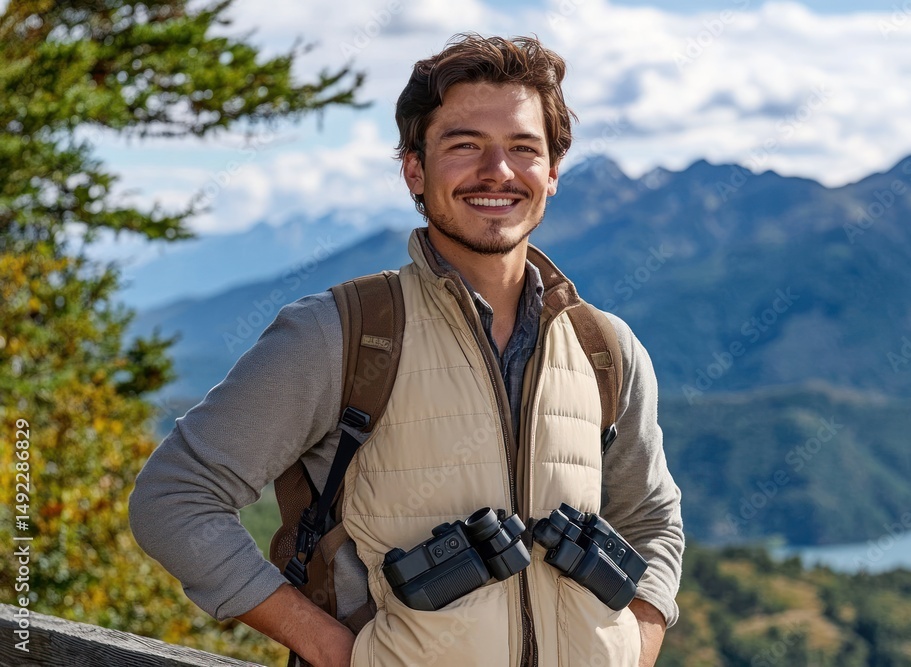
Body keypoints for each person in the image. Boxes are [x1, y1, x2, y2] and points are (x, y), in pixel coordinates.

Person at [130, 33, 684, 667]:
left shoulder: (605, 349)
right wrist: (336, 651)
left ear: (552, 173)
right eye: (464, 144)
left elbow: (652, 519)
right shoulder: (341, 334)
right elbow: (174, 497)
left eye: (523, 149)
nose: (497, 171)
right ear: (414, 169)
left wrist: (638, 640)